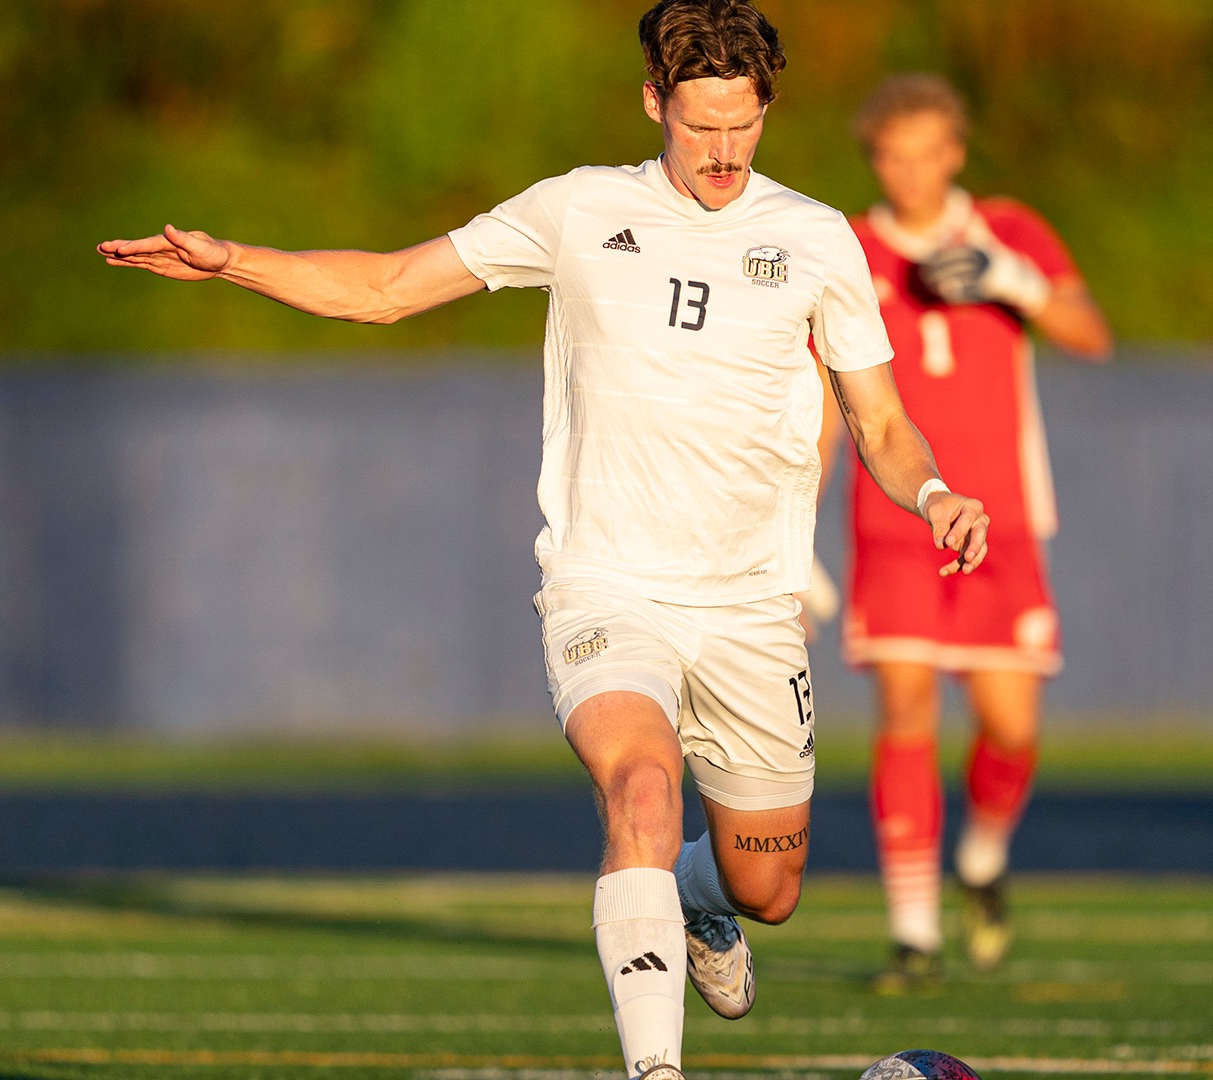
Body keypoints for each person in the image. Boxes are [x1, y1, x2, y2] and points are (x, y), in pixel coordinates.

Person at [98, 6, 989, 1078]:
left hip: (753, 607)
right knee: (641, 796)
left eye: (741, 130)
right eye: (698, 125)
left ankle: (703, 907)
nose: (719, 154)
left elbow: (880, 423)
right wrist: (236, 259)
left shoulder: (815, 237)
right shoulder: (578, 210)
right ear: (652, 102)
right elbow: (386, 289)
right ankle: (655, 1070)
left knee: (770, 887)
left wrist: (932, 493)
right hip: (607, 585)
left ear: (768, 113)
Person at [822, 73, 1111, 992]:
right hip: (897, 520)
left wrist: (1011, 281)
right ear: (874, 159)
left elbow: (1090, 333)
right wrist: (793, 537)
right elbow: (833, 405)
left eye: (927, 151)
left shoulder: (1010, 228)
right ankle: (913, 935)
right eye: (892, 155)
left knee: (1010, 728)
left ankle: (981, 860)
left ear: (957, 150)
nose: (911, 171)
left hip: (1006, 520)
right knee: (905, 709)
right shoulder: (849, 249)